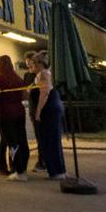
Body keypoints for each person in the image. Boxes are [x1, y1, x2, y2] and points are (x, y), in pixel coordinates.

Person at [0, 54, 29, 181]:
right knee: (21, 140)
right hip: (19, 112)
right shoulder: (18, 78)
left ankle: (18, 170)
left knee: (11, 142)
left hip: (5, 113)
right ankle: (21, 168)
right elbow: (24, 96)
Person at [31, 51, 66, 181]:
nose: (31, 67)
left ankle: (56, 171)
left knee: (49, 139)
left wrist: (39, 111)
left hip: (49, 108)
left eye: (33, 64)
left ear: (39, 64)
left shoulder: (43, 74)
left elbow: (44, 93)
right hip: (54, 107)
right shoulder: (45, 74)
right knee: (52, 139)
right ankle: (58, 169)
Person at [23, 52, 43, 173]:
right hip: (32, 107)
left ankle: (42, 161)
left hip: (40, 108)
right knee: (38, 135)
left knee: (42, 136)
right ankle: (42, 160)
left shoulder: (41, 75)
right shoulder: (28, 75)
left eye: (30, 64)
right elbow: (25, 92)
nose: (29, 67)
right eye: (27, 65)